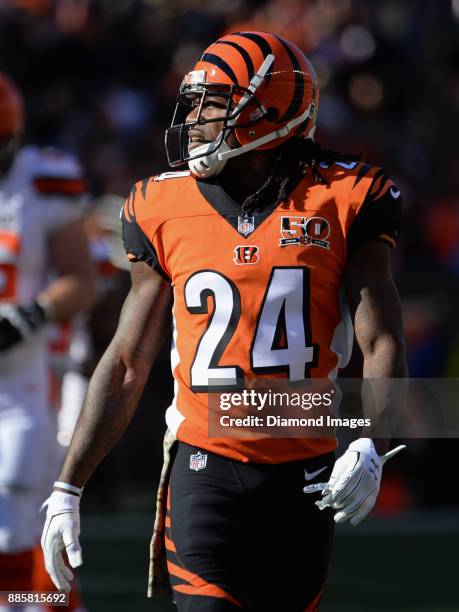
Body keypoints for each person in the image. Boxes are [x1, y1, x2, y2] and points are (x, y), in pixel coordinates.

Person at [41, 31, 407, 611]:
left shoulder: (348, 195)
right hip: (204, 466)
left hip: (308, 471)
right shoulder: (160, 205)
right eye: (193, 103)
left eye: (211, 103)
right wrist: (68, 485)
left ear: (270, 110)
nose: (194, 119)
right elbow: (128, 360)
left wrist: (367, 440)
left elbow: (381, 337)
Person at [0, 73, 95, 610]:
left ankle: (42, 605)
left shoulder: (42, 180)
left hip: (21, 385)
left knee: (16, 525)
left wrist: (26, 317)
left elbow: (81, 280)